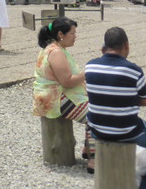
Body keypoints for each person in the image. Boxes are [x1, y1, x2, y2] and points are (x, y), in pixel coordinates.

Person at [86, 27, 146, 189]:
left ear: (104, 47)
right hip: (126, 131)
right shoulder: (133, 70)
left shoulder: (90, 67)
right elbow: (145, 101)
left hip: (97, 130)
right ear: (126, 45)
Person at [32, 17, 93, 173]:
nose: (75, 36)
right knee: (98, 117)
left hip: (54, 95)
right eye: (72, 33)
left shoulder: (51, 48)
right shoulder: (56, 52)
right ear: (61, 34)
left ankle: (89, 148)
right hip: (56, 100)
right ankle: (94, 158)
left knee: (95, 108)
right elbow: (67, 81)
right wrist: (88, 73)